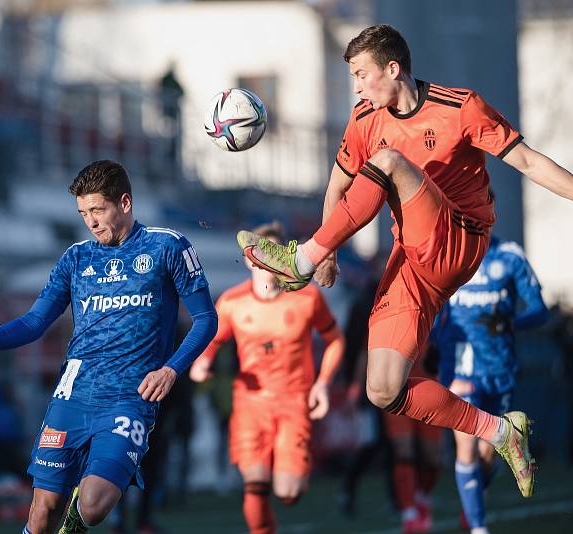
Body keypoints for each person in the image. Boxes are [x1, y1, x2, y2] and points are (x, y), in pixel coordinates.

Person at [238, 24, 573, 499]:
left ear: (392, 69)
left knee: (390, 161)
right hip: (411, 257)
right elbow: (337, 187)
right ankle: (500, 433)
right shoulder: (365, 118)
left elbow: (530, 162)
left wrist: (313, 254)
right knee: (384, 389)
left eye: (361, 74)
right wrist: (329, 250)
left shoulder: (461, 107)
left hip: (459, 239)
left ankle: (300, 262)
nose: (356, 87)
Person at [0, 160, 218, 534]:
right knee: (42, 512)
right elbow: (34, 322)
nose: (90, 221)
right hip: (72, 394)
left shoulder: (166, 246)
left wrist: (171, 368)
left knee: (92, 507)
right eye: (83, 213)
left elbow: (207, 320)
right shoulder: (76, 258)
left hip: (129, 398)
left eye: (97, 210)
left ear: (124, 202)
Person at [189, 222, 345, 534]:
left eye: (275, 254)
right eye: (262, 253)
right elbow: (212, 341)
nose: (268, 261)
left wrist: (323, 384)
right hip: (251, 406)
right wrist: (201, 363)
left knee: (288, 492)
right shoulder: (233, 302)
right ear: (249, 259)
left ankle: (290, 468)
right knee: (255, 484)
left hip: (294, 402)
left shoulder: (308, 299)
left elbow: (335, 340)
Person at [432, 236, 548, 534]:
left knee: (489, 453)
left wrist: (510, 323)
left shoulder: (509, 256)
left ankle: (473, 501)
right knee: (467, 446)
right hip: (459, 370)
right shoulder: (443, 252)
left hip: (500, 370)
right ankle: (478, 527)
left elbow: (540, 310)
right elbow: (429, 311)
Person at [382, 347, 442, 534]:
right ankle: (409, 513)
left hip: (427, 382)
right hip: (395, 385)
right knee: (403, 451)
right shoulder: (382, 317)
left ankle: (421, 498)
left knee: (434, 458)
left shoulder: (433, 317)